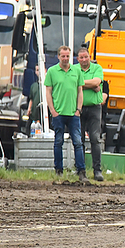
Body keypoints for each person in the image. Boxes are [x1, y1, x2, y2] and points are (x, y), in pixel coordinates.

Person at [45, 45, 88, 183]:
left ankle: (81, 171)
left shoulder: (76, 71)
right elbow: (48, 92)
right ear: (58, 56)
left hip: (73, 114)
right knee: (58, 142)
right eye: (63, 56)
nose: (65, 59)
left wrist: (78, 109)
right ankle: (58, 170)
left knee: (78, 142)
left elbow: (80, 91)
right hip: (58, 113)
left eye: (67, 56)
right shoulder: (52, 71)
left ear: (71, 57)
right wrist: (52, 110)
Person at [74, 47, 105, 182]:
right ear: (78, 59)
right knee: (78, 140)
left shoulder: (97, 68)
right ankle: (80, 169)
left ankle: (97, 170)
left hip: (94, 108)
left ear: (89, 56)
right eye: (81, 57)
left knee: (95, 138)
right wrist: (91, 85)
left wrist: (80, 84)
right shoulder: (74, 69)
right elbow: (71, 83)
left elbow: (97, 82)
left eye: (86, 57)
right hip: (78, 108)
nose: (84, 59)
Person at [26, 64, 42, 133]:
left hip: (44, 115)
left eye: (40, 70)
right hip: (34, 116)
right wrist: (29, 109)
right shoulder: (34, 86)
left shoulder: (49, 86)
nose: (39, 72)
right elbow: (31, 99)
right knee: (33, 131)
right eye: (37, 70)